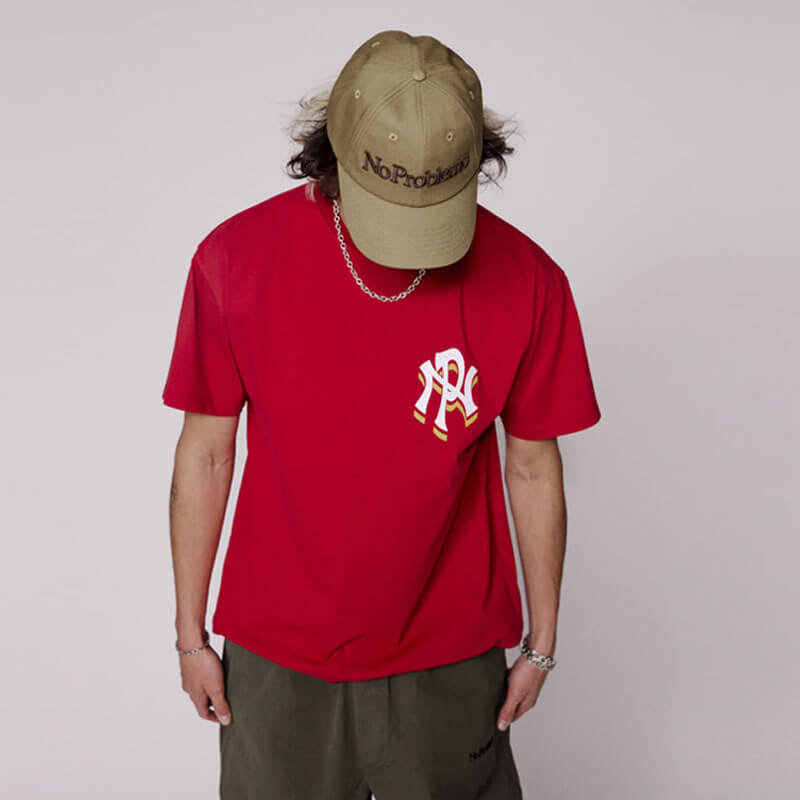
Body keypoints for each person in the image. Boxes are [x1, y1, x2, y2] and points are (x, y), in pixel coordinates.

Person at [162, 29, 601, 800]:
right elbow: (206, 453)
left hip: (450, 656)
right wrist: (190, 635)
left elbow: (534, 464)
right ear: (335, 148)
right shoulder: (235, 258)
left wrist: (543, 643)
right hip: (278, 656)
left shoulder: (530, 279)